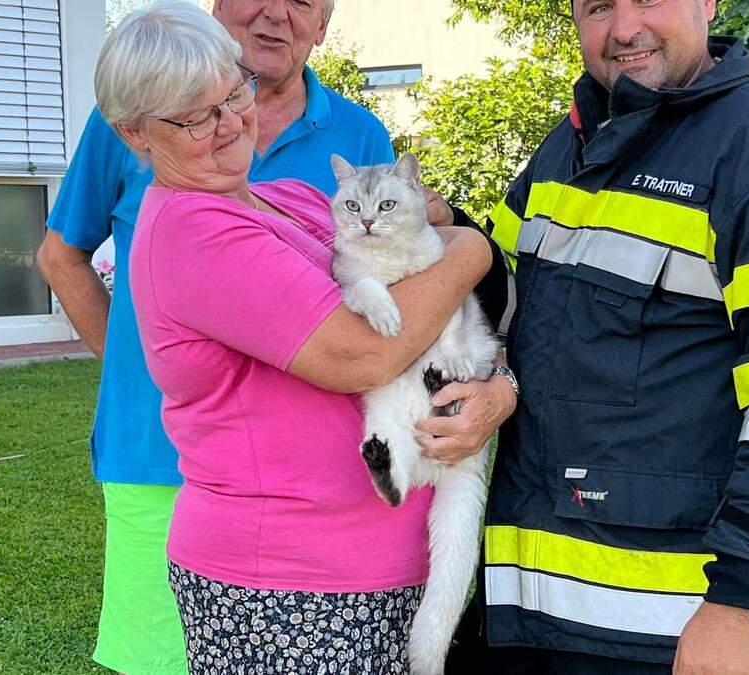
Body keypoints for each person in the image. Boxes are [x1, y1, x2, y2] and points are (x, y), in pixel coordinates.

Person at [433, 1, 749, 672]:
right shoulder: (569, 144)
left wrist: (739, 602)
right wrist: (439, 230)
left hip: (664, 635)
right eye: (596, 8)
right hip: (520, 618)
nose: (622, 29)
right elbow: (502, 305)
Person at [93, 3, 500, 673]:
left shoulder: (291, 199)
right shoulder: (192, 230)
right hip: (289, 587)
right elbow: (365, 351)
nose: (229, 125)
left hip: (376, 569)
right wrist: (475, 250)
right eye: (197, 117)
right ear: (135, 133)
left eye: (234, 93)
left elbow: (418, 271)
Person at [36, 0, 397, 672]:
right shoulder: (137, 107)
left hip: (305, 498)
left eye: (302, 3)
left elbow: (389, 281)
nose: (274, 14)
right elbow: (61, 255)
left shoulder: (360, 135)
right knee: (160, 659)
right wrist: (144, 365)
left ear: (324, 23)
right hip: (154, 454)